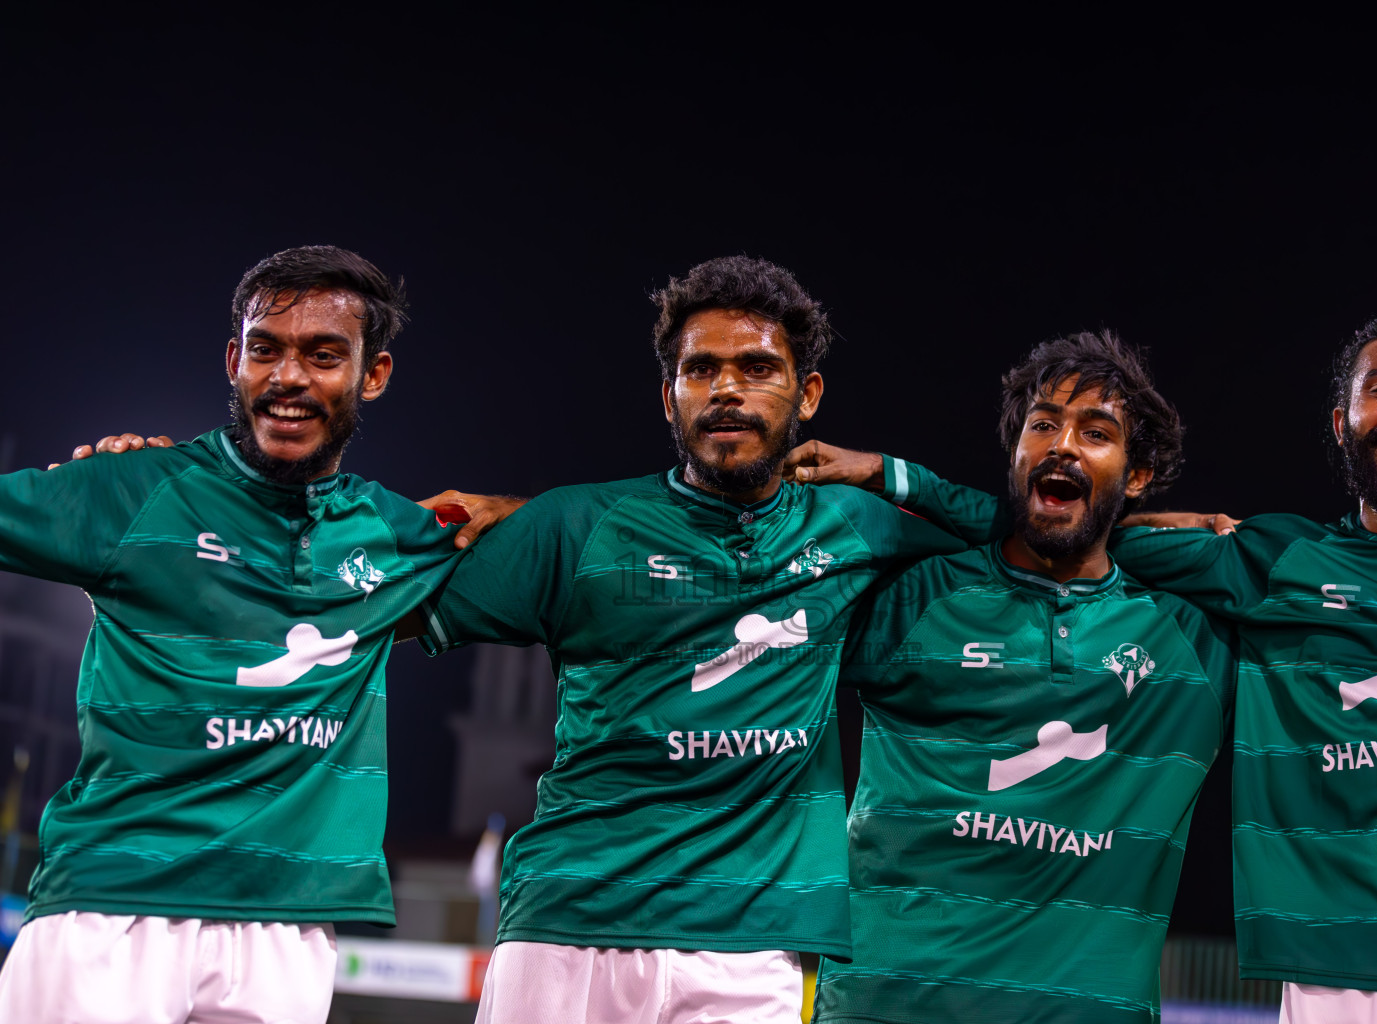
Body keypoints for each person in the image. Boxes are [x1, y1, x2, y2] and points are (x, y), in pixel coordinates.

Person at [417, 255, 1008, 1024]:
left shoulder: (857, 530)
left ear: (808, 394)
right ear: (669, 397)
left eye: (758, 367)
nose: (727, 388)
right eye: (702, 369)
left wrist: (890, 475)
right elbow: (373, 612)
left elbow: (1035, 546)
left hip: (751, 947)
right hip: (568, 924)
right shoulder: (573, 525)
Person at [0, 245, 516, 1024]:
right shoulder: (135, 489)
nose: (290, 378)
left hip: (285, 930)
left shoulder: (398, 535)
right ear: (235, 359)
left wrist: (508, 510)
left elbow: (584, 548)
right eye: (267, 350)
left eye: (322, 354)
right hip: (110, 907)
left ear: (371, 375)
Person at [1111, 308, 1377, 1022]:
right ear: (1342, 423)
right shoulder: (1278, 560)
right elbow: (1073, 543)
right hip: (1329, 980)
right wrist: (1186, 522)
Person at [804, 332, 1232, 1023]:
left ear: (1138, 475)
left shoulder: (1192, 639)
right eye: (1043, 425)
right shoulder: (917, 596)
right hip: (887, 1008)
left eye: (1096, 432)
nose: (1063, 445)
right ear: (1015, 455)